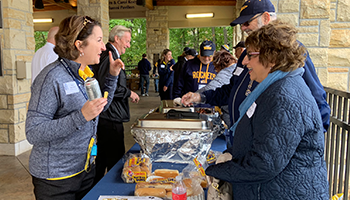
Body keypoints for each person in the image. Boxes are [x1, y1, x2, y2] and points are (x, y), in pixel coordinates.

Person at [193, 20, 329, 199]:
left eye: (251, 55)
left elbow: (263, 164)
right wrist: (231, 153)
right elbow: (262, 138)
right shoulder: (274, 86)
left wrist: (214, 170)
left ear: (271, 57)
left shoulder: (284, 97)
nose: (246, 62)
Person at [182, 0, 330, 136]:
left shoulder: (291, 51)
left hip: (267, 145)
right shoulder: (245, 55)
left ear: (266, 18)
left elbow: (316, 99)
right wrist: (200, 97)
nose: (243, 27)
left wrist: (311, 141)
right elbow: (231, 90)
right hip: (242, 139)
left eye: (247, 22)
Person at [26, 15, 124, 200]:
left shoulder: (85, 74)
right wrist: (80, 116)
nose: (104, 47)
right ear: (79, 45)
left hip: (84, 170)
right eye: (99, 40)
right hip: (56, 179)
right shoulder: (51, 78)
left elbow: (98, 108)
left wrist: (112, 76)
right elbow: (33, 132)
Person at [92, 25, 140, 185]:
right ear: (117, 39)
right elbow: (107, 86)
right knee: (115, 162)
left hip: (109, 116)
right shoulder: (109, 57)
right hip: (110, 117)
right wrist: (129, 93)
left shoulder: (110, 55)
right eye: (127, 41)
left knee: (103, 159)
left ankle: (96, 189)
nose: (129, 45)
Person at [196, 51, 236, 126]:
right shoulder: (237, 68)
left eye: (215, 68)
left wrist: (193, 97)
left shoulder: (225, 72)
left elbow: (211, 88)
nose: (216, 71)